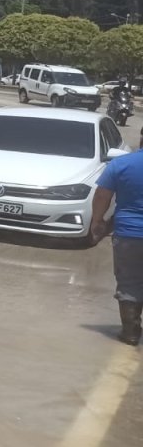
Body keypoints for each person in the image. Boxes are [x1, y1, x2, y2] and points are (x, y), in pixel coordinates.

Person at [91, 143, 143, 346]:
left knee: (129, 284)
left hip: (128, 234)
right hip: (128, 232)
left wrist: (97, 221)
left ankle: (130, 334)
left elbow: (102, 195)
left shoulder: (120, 164)